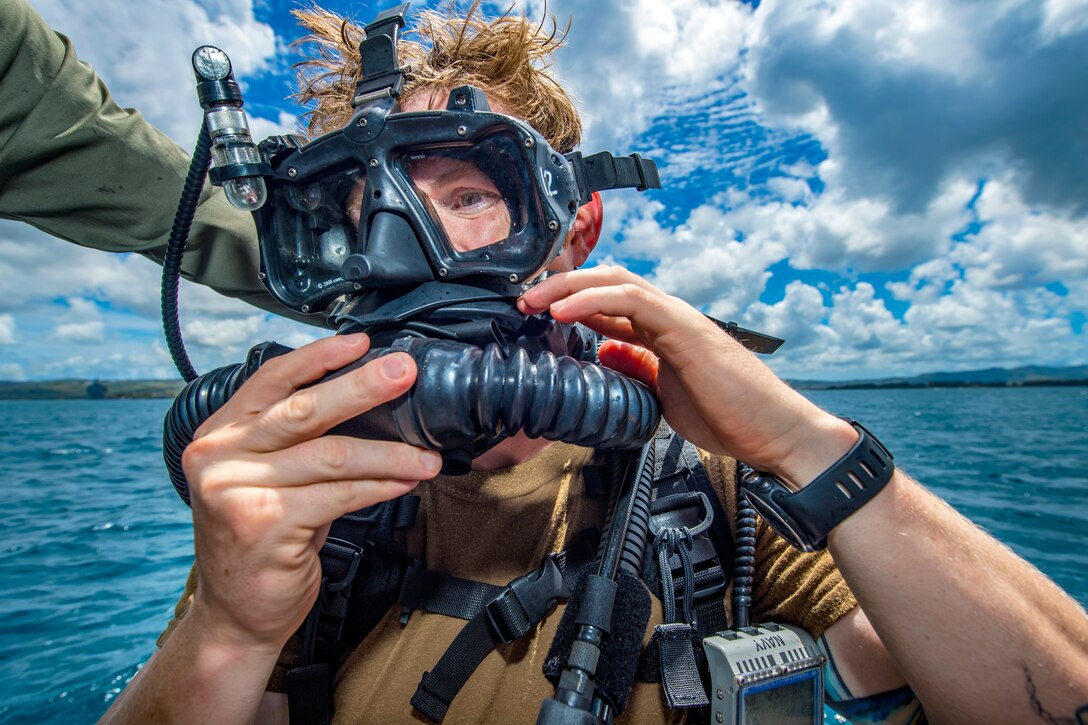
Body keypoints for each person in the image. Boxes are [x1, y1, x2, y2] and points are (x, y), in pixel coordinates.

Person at [9, 2, 1086, 723]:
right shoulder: (297, 487)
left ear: (570, 226)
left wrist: (808, 444)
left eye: (469, 195)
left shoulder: (711, 483)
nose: (404, 254)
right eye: (360, 213)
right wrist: (229, 622)